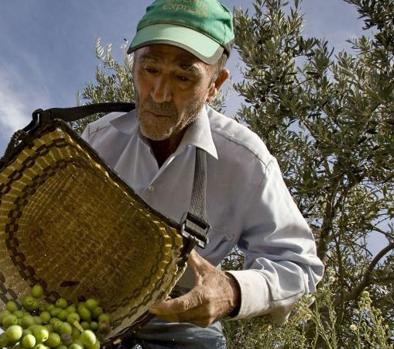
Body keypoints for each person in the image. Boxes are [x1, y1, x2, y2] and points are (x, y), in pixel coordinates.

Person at [80, 0, 324, 348]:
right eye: (149, 69)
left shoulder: (245, 162)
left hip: (179, 320)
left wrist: (232, 291)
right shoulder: (97, 141)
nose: (159, 95)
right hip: (93, 307)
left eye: (183, 77)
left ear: (215, 84)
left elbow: (299, 265)